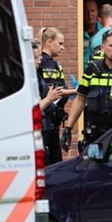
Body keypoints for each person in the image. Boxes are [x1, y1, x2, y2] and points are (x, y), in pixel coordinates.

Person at [63, 30, 112, 153]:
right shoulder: (92, 69)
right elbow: (80, 99)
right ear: (103, 48)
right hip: (95, 135)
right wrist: (68, 128)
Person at [37, 28, 77, 164]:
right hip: (49, 121)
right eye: (60, 44)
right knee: (52, 163)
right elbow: (54, 93)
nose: (62, 47)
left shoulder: (49, 61)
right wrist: (78, 91)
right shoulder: (48, 63)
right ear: (49, 42)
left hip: (52, 120)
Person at [82, 0, 102, 67]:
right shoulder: (77, 32)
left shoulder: (104, 32)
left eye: (92, 11)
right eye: (86, 11)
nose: (90, 14)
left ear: (97, 13)